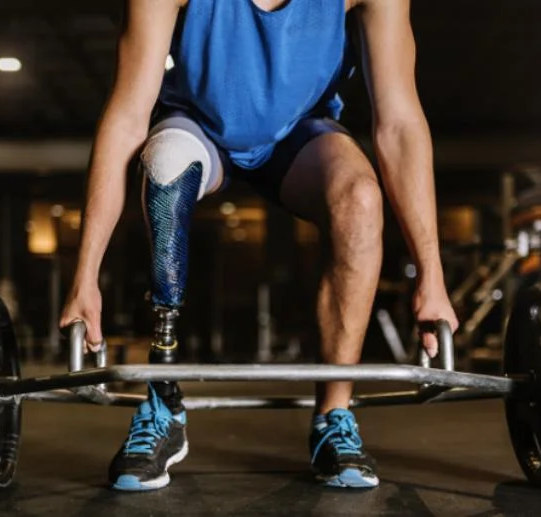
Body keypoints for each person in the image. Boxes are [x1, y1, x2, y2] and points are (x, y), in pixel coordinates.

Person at [60, 0, 459, 491]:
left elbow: (399, 122)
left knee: (359, 198)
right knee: (163, 167)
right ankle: (162, 400)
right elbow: (126, 116)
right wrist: (86, 277)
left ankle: (334, 417)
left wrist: (433, 277)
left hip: (298, 134)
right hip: (197, 126)